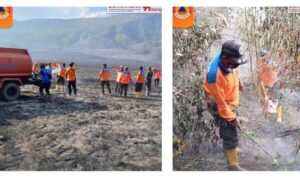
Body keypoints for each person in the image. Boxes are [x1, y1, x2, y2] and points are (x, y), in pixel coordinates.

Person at [204, 40, 248, 171]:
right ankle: (233, 166)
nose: (236, 66)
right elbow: (220, 105)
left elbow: (234, 70)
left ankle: (231, 148)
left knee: (232, 132)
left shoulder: (226, 58)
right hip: (221, 106)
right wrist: (232, 118)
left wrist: (238, 81)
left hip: (229, 101)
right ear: (224, 58)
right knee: (230, 133)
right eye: (234, 63)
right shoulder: (214, 76)